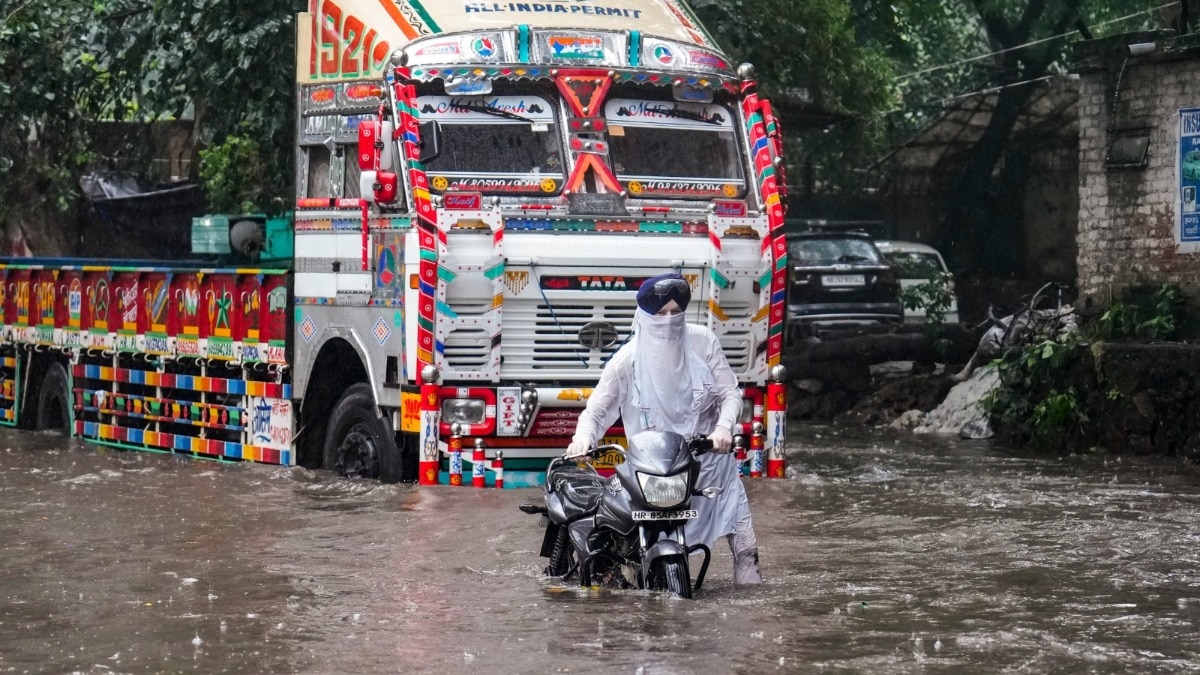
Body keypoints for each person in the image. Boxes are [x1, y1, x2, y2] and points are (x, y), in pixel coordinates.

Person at [566, 273, 763, 584]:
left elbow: (729, 393)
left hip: (710, 464)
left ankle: (753, 615)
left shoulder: (703, 342)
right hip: (656, 470)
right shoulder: (625, 362)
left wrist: (724, 428)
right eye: (660, 314)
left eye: (676, 313)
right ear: (645, 317)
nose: (669, 321)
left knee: (746, 548)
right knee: (636, 543)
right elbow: (597, 410)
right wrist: (582, 440)